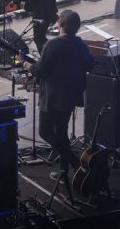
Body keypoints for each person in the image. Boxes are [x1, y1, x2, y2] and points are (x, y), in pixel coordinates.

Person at [23, 10, 94, 182]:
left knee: (46, 131)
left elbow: (41, 70)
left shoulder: (52, 45)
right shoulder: (79, 44)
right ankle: (63, 173)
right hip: (71, 95)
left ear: (60, 25)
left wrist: (27, 65)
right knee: (61, 131)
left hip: (53, 97)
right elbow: (90, 64)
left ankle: (73, 161)